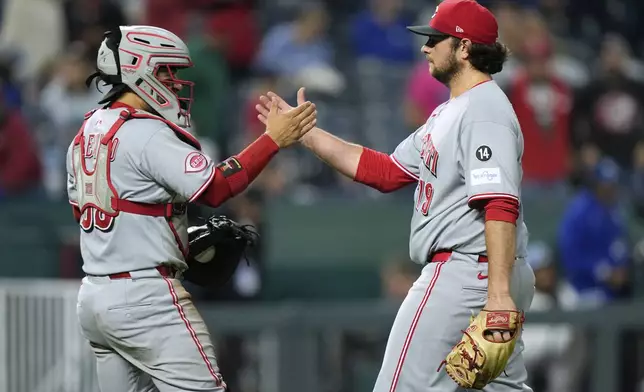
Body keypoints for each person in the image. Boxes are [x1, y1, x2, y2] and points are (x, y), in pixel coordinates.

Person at [255, 0, 535, 391]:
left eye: (436, 39)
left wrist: (499, 293)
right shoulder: (451, 112)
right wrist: (306, 133)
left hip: (469, 273)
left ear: (465, 48)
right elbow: (385, 172)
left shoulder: (484, 110)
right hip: (486, 272)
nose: (425, 48)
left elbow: (500, 203)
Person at [67, 25, 316, 392]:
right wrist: (272, 140)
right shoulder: (146, 131)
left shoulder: (87, 129)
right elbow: (216, 188)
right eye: (168, 71)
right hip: (145, 298)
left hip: (95, 296)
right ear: (140, 70)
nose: (176, 82)